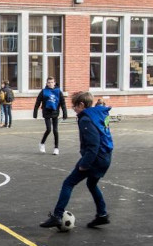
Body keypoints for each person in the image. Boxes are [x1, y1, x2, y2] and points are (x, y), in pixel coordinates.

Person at [39, 91, 113, 230]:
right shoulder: (98, 114)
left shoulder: (86, 119)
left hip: (95, 158)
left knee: (68, 183)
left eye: (75, 107)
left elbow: (93, 145)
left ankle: (57, 215)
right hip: (106, 157)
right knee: (92, 184)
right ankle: (102, 215)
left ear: (82, 104)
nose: (74, 110)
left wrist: (85, 164)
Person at [33, 77, 67, 155]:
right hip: (46, 112)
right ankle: (42, 143)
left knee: (55, 130)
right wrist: (35, 113)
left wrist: (65, 113)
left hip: (55, 111)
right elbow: (37, 102)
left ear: (54, 83)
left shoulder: (58, 91)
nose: (50, 84)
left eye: (52, 82)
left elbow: (63, 103)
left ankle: (56, 148)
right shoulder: (44, 91)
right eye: (49, 82)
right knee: (48, 129)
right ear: (47, 83)